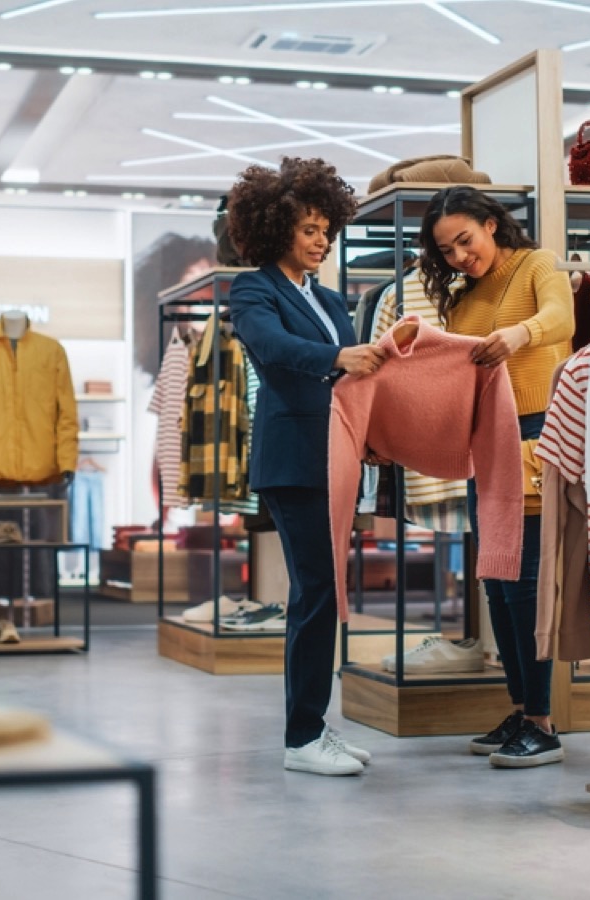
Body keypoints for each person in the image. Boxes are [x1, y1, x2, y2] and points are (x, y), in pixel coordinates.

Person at [226, 157, 386, 777]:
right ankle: (301, 739)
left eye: (326, 230)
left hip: (337, 456)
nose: (321, 241)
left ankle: (316, 725)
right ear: (275, 228)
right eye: (309, 230)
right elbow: (273, 348)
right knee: (316, 592)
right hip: (294, 461)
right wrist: (340, 355)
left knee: (326, 592)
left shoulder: (323, 296)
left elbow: (350, 381)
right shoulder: (254, 288)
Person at [419, 185, 574, 768]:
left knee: (527, 582)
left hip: (535, 436)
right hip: (486, 442)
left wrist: (519, 334)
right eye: (447, 250)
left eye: (466, 240)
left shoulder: (538, 264)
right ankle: (521, 706)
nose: (460, 256)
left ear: (490, 224)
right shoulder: (461, 299)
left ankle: (543, 721)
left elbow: (561, 320)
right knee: (496, 583)